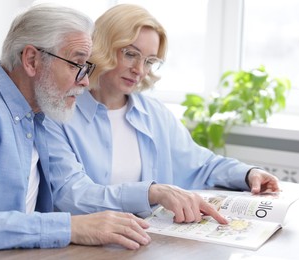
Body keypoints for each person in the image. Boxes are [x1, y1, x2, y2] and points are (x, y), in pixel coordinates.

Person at [0, 4, 152, 259]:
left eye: (87, 68)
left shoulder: (39, 114)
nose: (84, 81)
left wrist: (150, 193)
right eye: (77, 64)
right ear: (31, 60)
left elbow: (72, 189)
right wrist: (69, 227)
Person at [45, 4, 280, 223]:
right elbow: (71, 195)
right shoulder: (59, 114)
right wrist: (151, 193)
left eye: (149, 61)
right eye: (130, 54)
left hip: (147, 239)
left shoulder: (153, 113)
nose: (139, 70)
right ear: (103, 47)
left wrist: (249, 174)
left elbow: (202, 164)